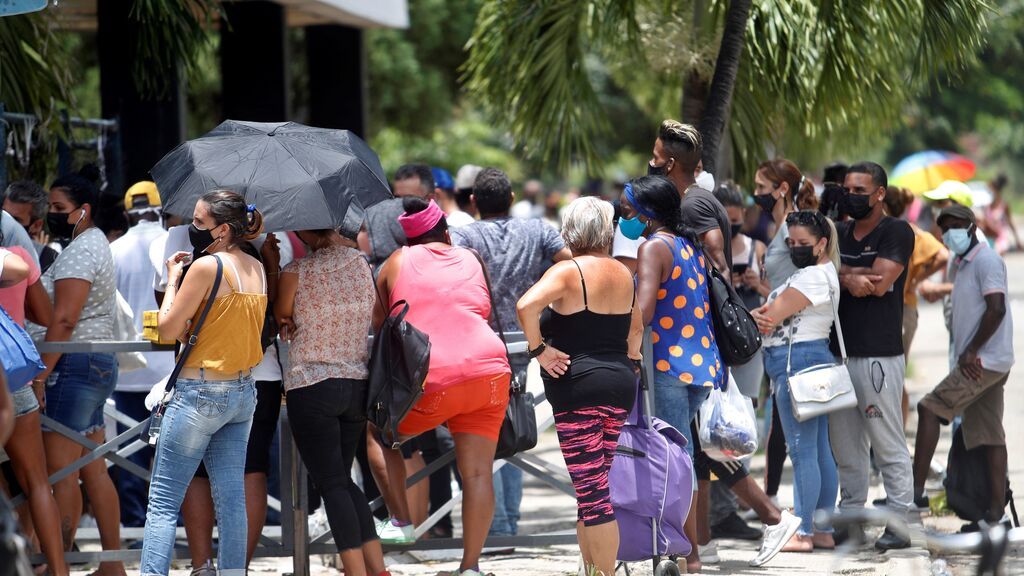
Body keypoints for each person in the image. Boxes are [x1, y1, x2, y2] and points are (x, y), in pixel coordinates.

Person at [371, 197, 511, 576]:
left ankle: (401, 523)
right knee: (478, 473)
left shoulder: (396, 262)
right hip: (490, 371)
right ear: (446, 232)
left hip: (433, 377)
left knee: (378, 434)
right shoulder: (471, 257)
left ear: (409, 239)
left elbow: (381, 322)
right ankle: (470, 567)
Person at [141, 190, 267, 576]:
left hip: (199, 391)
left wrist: (173, 278)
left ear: (223, 228)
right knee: (231, 501)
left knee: (163, 500)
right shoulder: (257, 267)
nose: (191, 228)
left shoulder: (206, 267)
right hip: (242, 391)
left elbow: (166, 328)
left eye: (198, 222)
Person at [516, 196, 641, 576]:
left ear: (571, 231)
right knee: (593, 487)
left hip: (579, 388)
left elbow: (526, 306)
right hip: (619, 383)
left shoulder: (569, 271)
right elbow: (635, 329)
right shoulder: (623, 273)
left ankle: (602, 573)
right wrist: (632, 363)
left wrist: (539, 349)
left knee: (592, 493)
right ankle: (592, 569)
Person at [451, 168, 571, 538]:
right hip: (525, 341)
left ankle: (498, 525)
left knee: (484, 432)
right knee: (513, 426)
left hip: (477, 344)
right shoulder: (536, 230)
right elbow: (570, 261)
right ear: (513, 199)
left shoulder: (463, 235)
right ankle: (508, 522)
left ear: (473, 201)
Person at [275, 227, 390, 576]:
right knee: (343, 480)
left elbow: (282, 315)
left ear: (305, 232)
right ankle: (377, 569)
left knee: (331, 483)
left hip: (311, 386)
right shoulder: (360, 263)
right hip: (355, 384)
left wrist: (269, 261)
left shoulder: (296, 271)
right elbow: (374, 313)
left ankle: (356, 571)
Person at [30, 170, 124, 576]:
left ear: (83, 211)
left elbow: (64, 319)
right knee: (91, 466)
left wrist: (39, 375)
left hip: (72, 364)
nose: (50, 215)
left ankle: (59, 564)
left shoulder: (81, 251)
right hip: (92, 363)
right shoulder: (93, 244)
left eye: (57, 209)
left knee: (60, 470)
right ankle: (113, 563)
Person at [830, 162, 916, 551]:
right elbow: (827, 272)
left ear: (880, 193)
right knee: (845, 447)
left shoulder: (895, 231)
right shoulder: (839, 231)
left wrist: (840, 274)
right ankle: (851, 521)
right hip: (839, 356)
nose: (852, 195)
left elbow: (879, 284)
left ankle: (899, 521)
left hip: (878, 357)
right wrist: (849, 277)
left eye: (860, 190)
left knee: (887, 442)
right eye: (848, 188)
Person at [912, 204, 1013, 524]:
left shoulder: (986, 260)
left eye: (956, 226)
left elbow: (996, 309)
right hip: (986, 360)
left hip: (982, 361)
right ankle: (994, 514)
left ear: (971, 227)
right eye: (945, 228)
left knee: (930, 408)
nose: (949, 233)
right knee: (988, 435)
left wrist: (970, 352)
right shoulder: (961, 263)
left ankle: (911, 494)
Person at [751, 210, 841, 552]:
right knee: (818, 450)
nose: (795, 248)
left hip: (797, 362)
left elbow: (769, 318)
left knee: (803, 450)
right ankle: (822, 529)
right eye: (791, 242)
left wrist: (758, 313)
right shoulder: (821, 272)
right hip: (809, 360)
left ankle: (802, 531)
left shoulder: (812, 277)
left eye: (803, 243)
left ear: (822, 244)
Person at [751, 158, 818, 508]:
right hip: (777, 337)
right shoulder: (778, 227)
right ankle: (776, 502)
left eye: (762, 188)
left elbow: (802, 288)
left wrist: (761, 312)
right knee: (782, 427)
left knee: (798, 436)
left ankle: (802, 518)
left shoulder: (794, 229)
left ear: (782, 190)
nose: (756, 195)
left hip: (794, 340)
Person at [109, 181, 175, 530]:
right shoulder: (172, 244)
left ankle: (135, 529)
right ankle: (173, 527)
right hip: (170, 370)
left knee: (128, 454)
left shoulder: (114, 249)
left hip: (128, 369)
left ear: (126, 213)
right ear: (161, 209)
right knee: (172, 457)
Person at [0, 246, 65, 576]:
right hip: (12, 382)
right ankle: (57, 569)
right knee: (37, 483)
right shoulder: (14, 252)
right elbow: (20, 269)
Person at [883, 186, 948, 428]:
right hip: (898, 310)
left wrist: (915, 280)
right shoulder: (893, 230)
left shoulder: (906, 231)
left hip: (902, 310)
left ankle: (897, 432)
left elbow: (942, 255)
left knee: (896, 375)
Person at [714, 183, 768, 399]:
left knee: (747, 400)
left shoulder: (757, 248)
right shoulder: (709, 249)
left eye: (735, 221)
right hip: (719, 334)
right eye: (726, 221)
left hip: (749, 335)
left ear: (744, 215)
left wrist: (756, 284)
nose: (731, 227)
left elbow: (773, 291)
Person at [359, 164, 435, 269]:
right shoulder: (380, 250)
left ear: (430, 199)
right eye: (397, 198)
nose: (398, 205)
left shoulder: (447, 240)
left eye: (409, 198)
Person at [3, 181, 58, 271]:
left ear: (36, 225)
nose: (6, 222)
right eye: (4, 214)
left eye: (15, 220)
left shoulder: (47, 260)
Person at [980, 174, 1020, 254]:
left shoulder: (1004, 206)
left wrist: (1017, 240)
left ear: (996, 190)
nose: (988, 192)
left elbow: (1010, 223)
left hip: (1001, 239)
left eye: (990, 189)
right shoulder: (987, 207)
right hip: (990, 237)